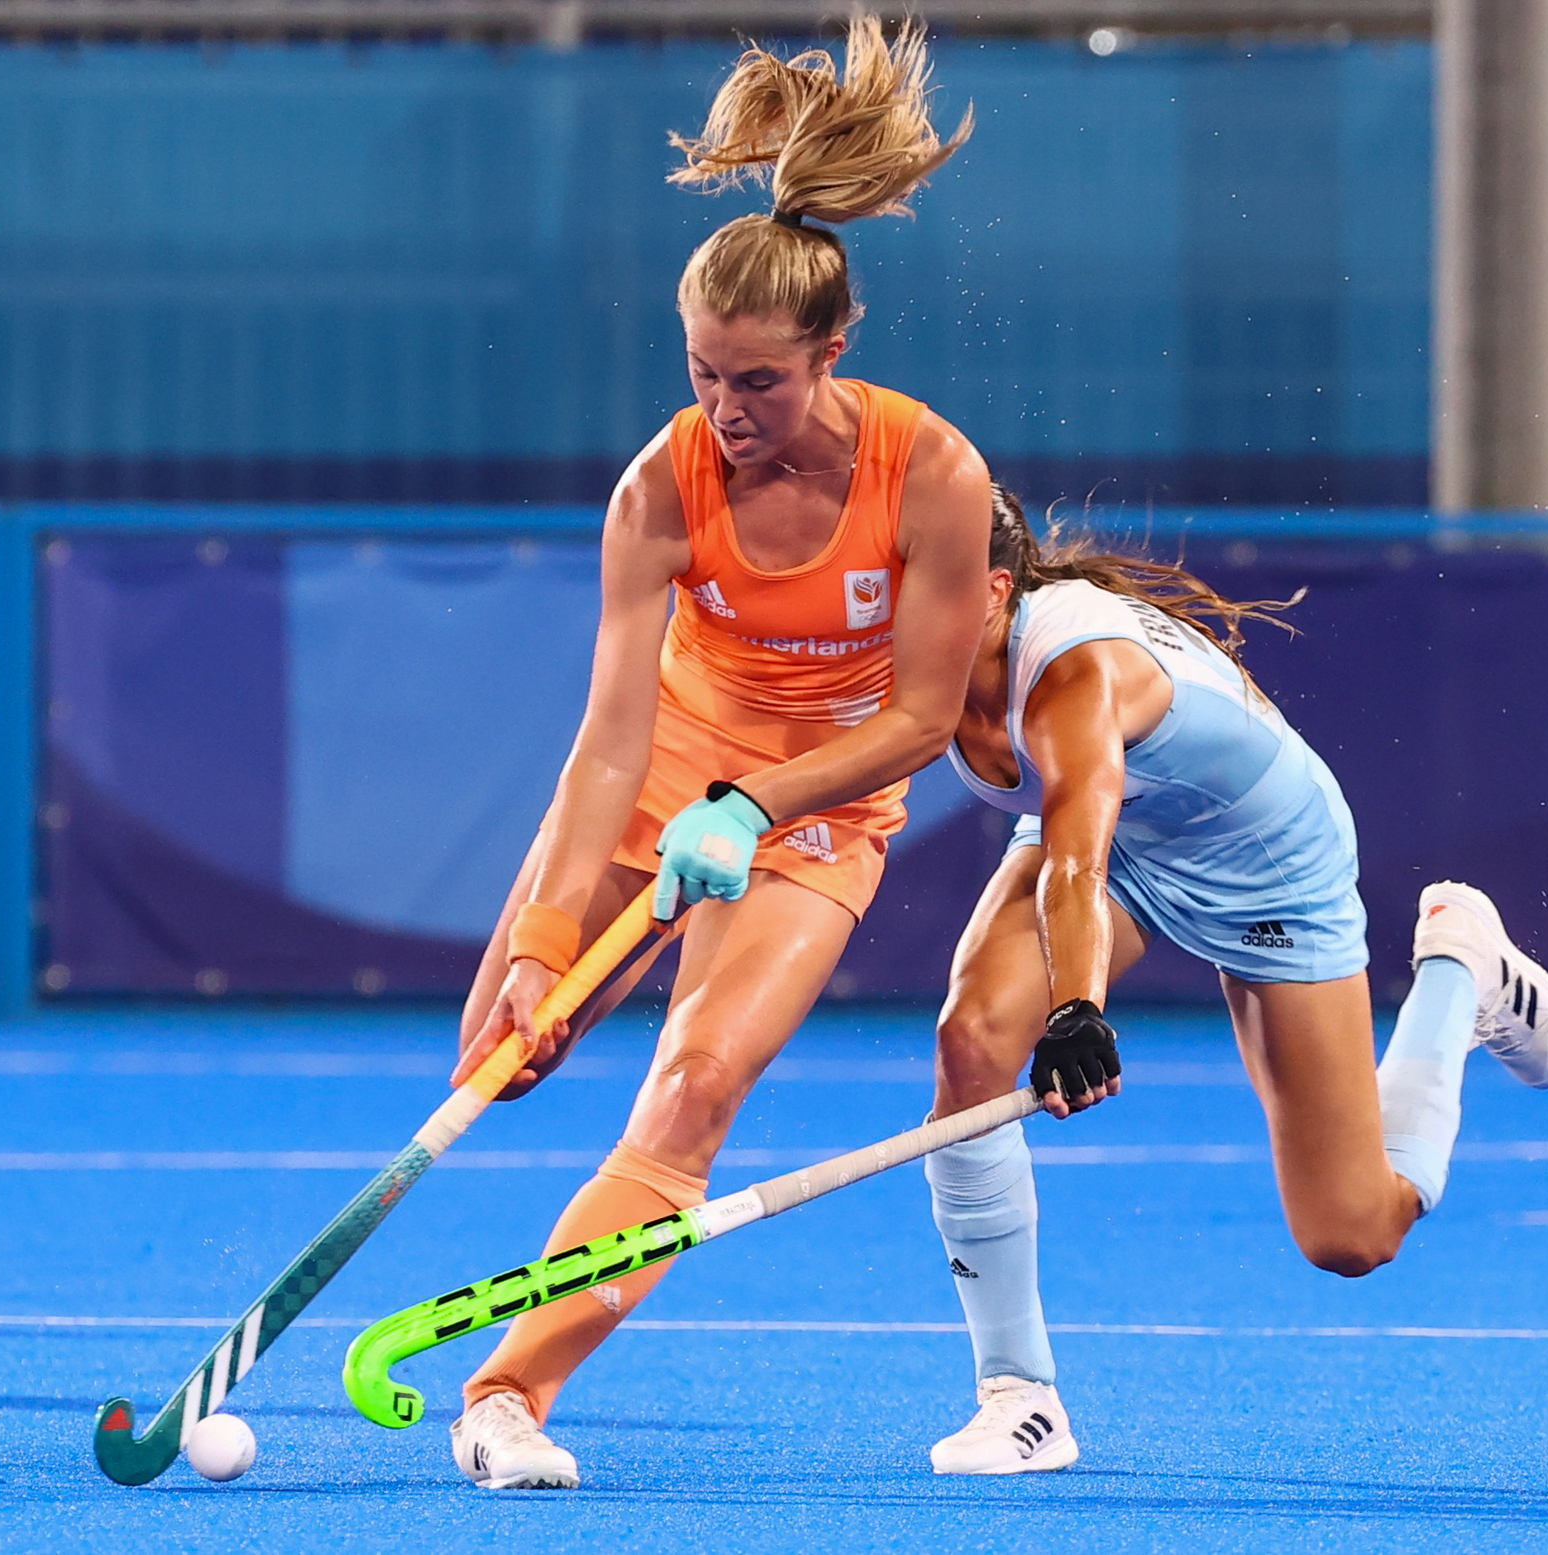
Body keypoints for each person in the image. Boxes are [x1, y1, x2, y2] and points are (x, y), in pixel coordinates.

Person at [443, 19, 993, 1491]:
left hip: (820, 808)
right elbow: (606, 743)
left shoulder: (931, 474)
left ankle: (508, 1395)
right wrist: (544, 943)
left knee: (690, 1090)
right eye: (703, 374)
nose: (726, 411)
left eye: (758, 380)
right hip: (671, 770)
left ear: (834, 350)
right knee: (496, 1063)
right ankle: (522, 1017)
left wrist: (760, 799)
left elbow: (925, 723)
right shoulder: (660, 489)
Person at [920, 485, 1548, 1474]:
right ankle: (1020, 1396)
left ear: (993, 593)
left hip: (1260, 864)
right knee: (970, 1042)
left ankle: (1459, 969)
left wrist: (1075, 1009)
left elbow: (1072, 863)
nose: (884, 612)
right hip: (1121, 831)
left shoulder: (1074, 672)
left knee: (1352, 1233)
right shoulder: (905, 659)